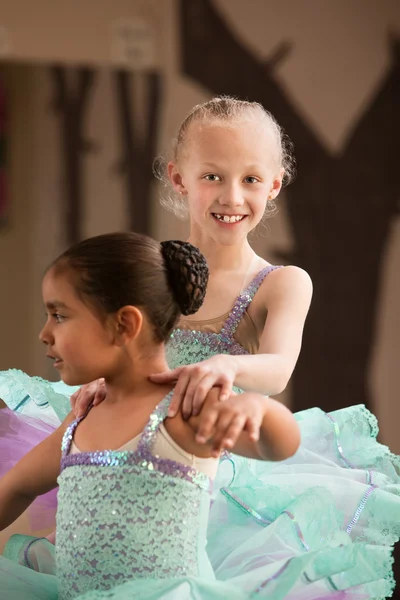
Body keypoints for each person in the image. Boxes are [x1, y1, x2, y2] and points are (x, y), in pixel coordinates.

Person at [1, 97, 400, 597]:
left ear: (274, 184)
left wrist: (222, 366)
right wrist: (105, 379)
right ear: (178, 178)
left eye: (251, 179)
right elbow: (118, 339)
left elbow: (277, 370)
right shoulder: (149, 276)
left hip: (212, 454)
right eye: (212, 176)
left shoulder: (281, 282)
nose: (232, 196)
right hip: (126, 437)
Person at [0, 232, 302, 599]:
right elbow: (16, 487)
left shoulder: (182, 410)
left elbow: (282, 444)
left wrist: (259, 409)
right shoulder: (81, 419)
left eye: (59, 316)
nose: (44, 334)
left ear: (124, 325)